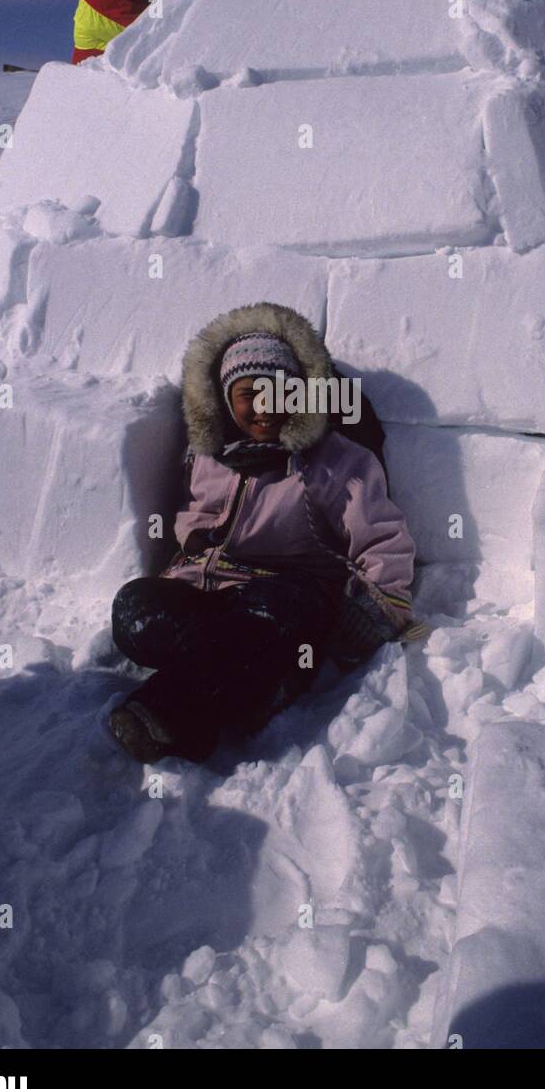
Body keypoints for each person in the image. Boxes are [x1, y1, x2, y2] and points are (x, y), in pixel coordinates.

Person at [107, 302, 417, 764]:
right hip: (209, 593)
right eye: (250, 392)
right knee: (135, 610)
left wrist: (376, 609)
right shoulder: (208, 455)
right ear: (226, 398)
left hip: (286, 596)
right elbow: (191, 520)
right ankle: (250, 679)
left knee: (265, 627)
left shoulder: (335, 460)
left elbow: (382, 537)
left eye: (280, 391)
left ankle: (168, 714)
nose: (266, 407)